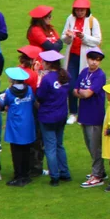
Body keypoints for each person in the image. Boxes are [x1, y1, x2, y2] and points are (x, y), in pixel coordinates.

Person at [71, 48, 108, 188]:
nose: (94, 62)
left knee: (95, 147)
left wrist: (82, 93)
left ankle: (97, 175)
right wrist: (83, 92)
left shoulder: (100, 75)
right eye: (92, 59)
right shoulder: (83, 72)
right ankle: (100, 171)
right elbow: (75, 91)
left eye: (97, 60)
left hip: (95, 115)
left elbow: (87, 94)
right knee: (89, 145)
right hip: (84, 114)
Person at [61, 0, 101, 123]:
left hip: (85, 58)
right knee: (71, 84)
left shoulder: (92, 21)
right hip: (72, 56)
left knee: (85, 85)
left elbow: (97, 40)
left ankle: (83, 114)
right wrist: (68, 37)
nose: (80, 12)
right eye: (78, 10)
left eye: (82, 10)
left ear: (87, 10)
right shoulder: (70, 19)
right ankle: (73, 112)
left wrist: (84, 37)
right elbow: (64, 38)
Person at [35, 50, 70, 185]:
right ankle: (65, 173)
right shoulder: (65, 75)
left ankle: (54, 176)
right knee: (59, 145)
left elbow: (40, 96)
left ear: (49, 63)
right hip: (61, 115)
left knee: (50, 147)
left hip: (48, 116)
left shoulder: (47, 79)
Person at [0, 77, 35, 184]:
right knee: (26, 150)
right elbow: (32, 100)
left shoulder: (9, 92)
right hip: (27, 124)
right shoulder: (29, 90)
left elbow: (4, 103)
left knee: (16, 152)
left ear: (12, 80)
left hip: (15, 125)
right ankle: (26, 175)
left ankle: (18, 177)